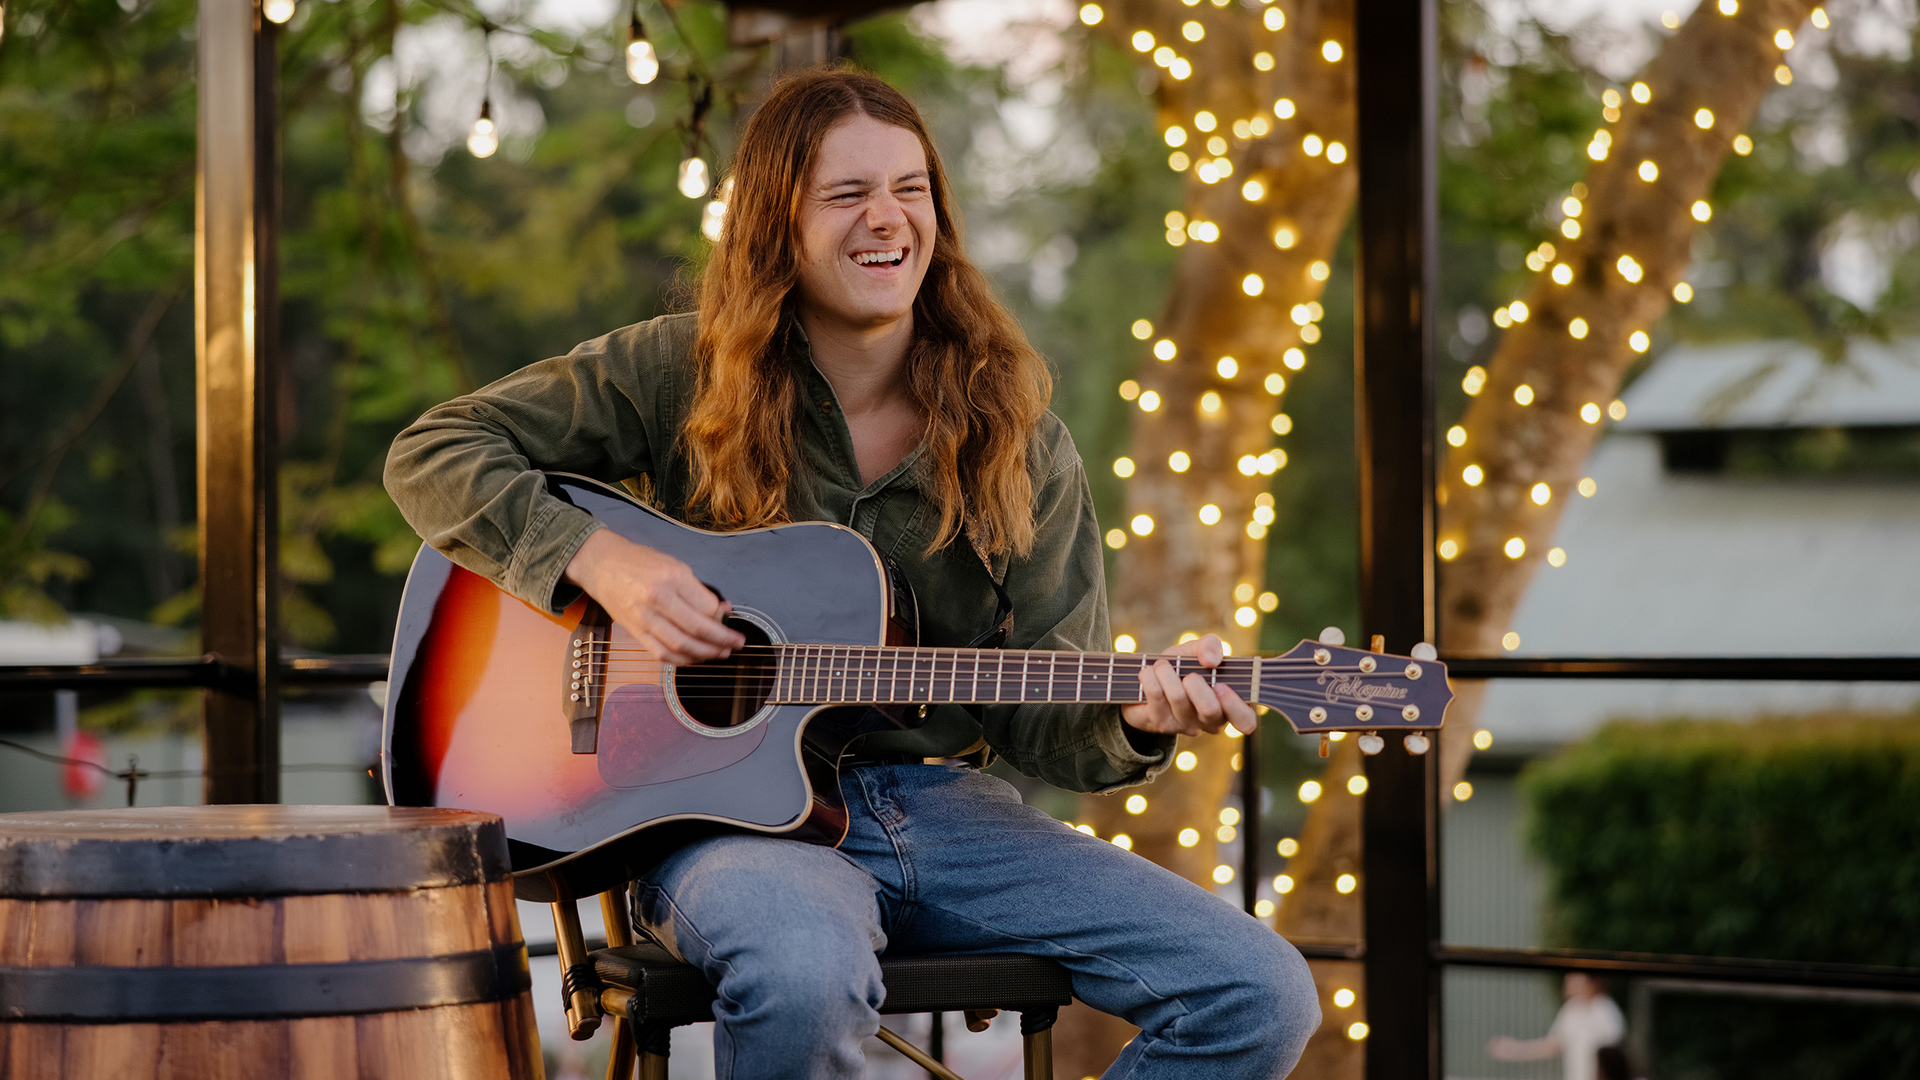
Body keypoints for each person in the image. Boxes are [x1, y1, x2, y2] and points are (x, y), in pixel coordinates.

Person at [385, 66, 1319, 1079]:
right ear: (776, 223)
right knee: (801, 975)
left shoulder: (1019, 435)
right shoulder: (673, 370)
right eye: (848, 194)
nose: (889, 219)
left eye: (911, 189)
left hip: (948, 820)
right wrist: (602, 565)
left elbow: (1050, 715)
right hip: (727, 832)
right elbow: (433, 451)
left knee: (1257, 993)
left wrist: (1139, 716)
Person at [1487, 971, 1625, 1080]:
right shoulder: (1571, 1010)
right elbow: (1551, 1045)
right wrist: (1513, 1050)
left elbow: (1613, 1059)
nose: (1569, 980)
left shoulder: (1607, 1011)